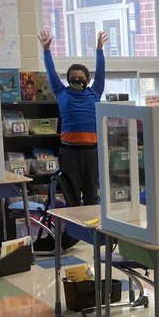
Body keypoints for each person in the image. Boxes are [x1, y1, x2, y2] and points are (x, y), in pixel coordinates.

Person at [38, 29, 106, 207]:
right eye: (73, 78)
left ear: (88, 80)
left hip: (91, 152)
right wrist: (46, 50)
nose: (77, 80)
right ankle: (73, 233)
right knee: (71, 196)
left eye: (81, 78)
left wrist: (99, 50)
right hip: (68, 153)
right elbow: (51, 72)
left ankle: (91, 233)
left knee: (92, 194)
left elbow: (101, 72)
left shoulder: (95, 92)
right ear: (68, 80)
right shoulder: (61, 93)